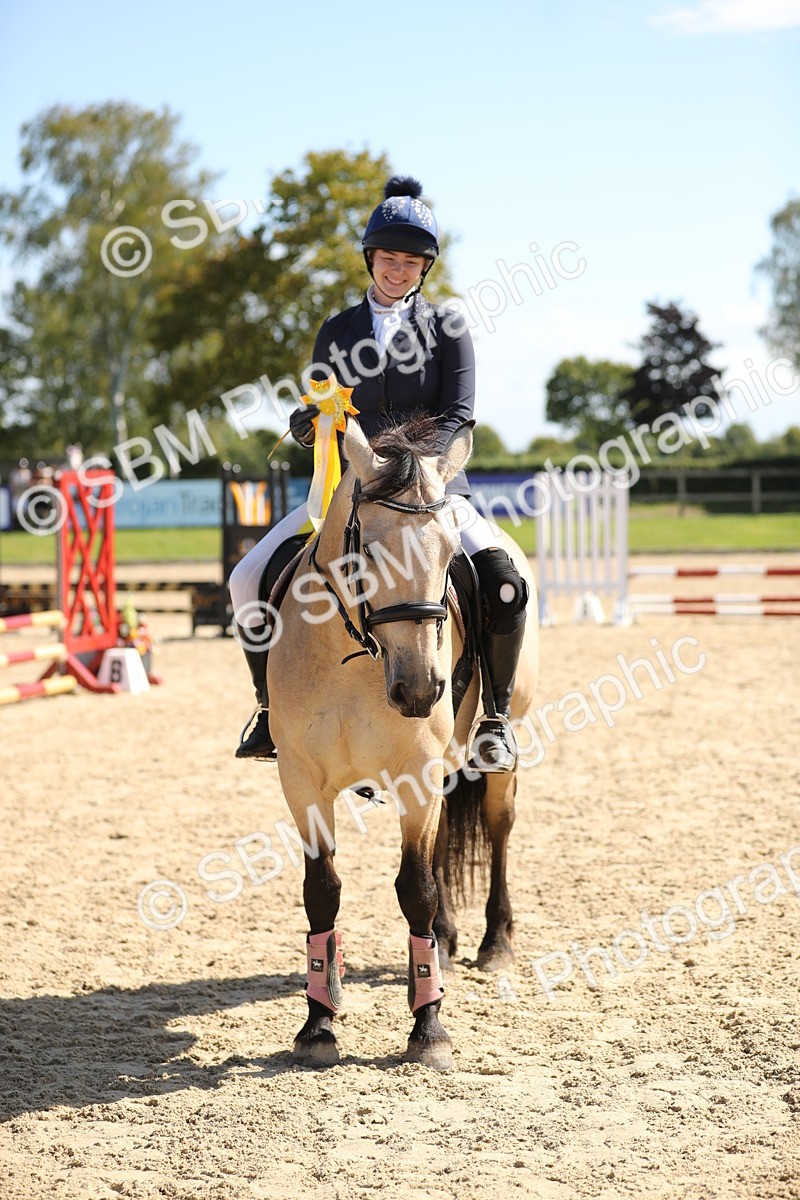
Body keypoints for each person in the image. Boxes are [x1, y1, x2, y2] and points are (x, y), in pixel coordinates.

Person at [229, 176, 528, 771]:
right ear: (371, 258)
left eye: (410, 261)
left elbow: (460, 416)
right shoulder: (338, 330)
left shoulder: (449, 329)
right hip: (350, 489)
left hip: (433, 490)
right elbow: (323, 403)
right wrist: (308, 423)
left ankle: (494, 718)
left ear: (425, 267)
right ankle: (269, 710)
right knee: (246, 579)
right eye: (388, 258)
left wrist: (418, 469)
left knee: (503, 580)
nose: (397, 270)